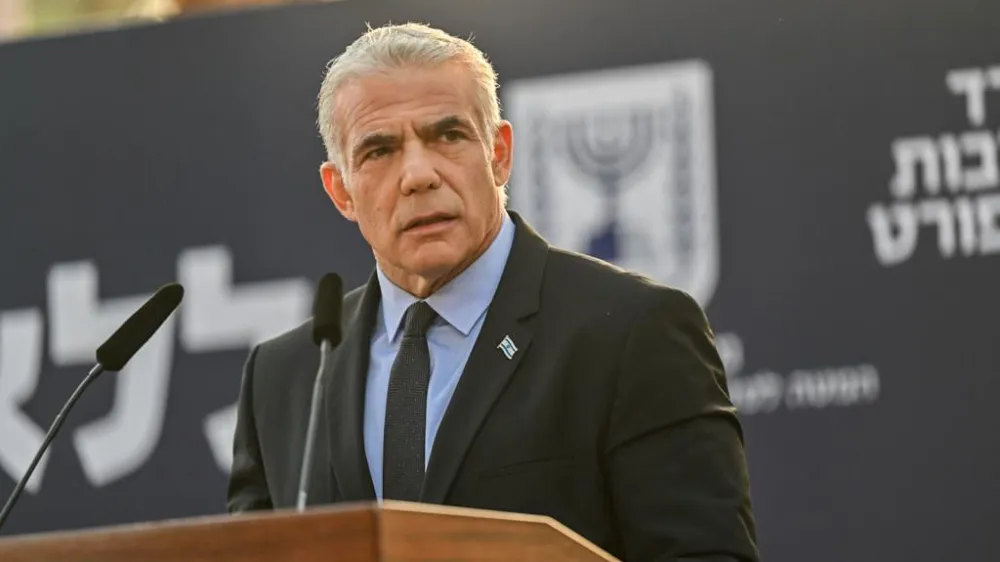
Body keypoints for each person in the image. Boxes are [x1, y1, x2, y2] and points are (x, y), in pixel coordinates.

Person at [227, 22, 759, 562]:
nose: (418, 175)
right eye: (380, 150)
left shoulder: (632, 331)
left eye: (448, 136)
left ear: (499, 153)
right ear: (341, 190)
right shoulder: (284, 376)